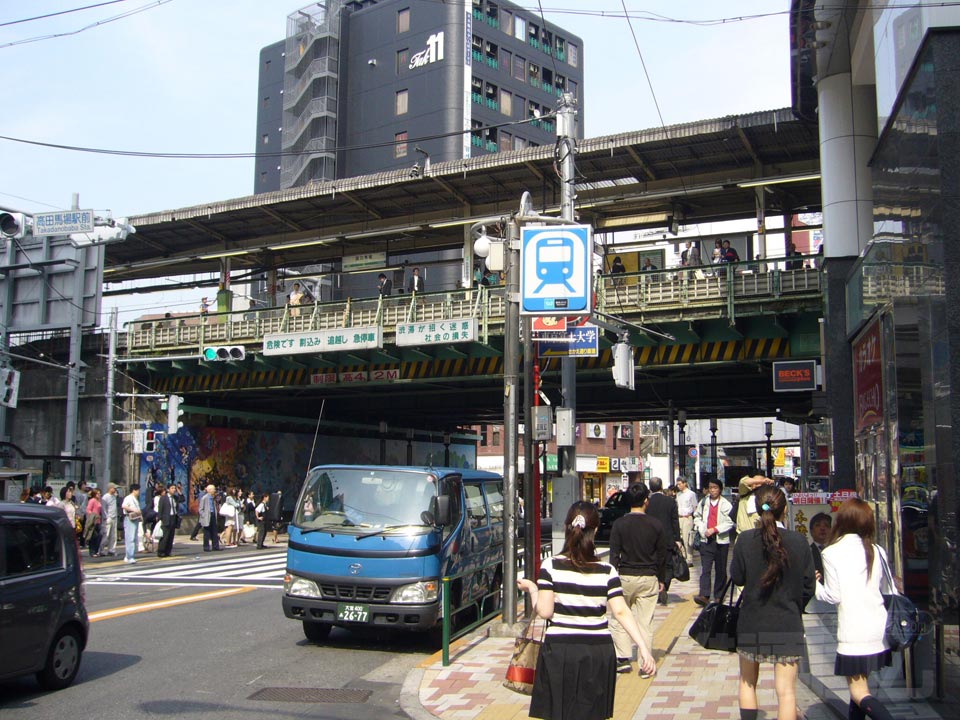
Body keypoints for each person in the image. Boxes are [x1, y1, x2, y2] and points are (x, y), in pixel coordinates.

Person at [517, 501, 655, 720]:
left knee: (559, 712)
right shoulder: (607, 571)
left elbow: (544, 611)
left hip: (560, 650)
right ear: (596, 530)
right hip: (598, 652)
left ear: (566, 527)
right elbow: (621, 611)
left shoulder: (550, 567)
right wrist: (643, 648)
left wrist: (533, 588)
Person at [731, 485, 816, 720]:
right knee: (786, 692)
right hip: (787, 621)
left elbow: (737, 577)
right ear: (784, 509)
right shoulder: (799, 541)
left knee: (747, 682)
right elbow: (809, 585)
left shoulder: (745, 540)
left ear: (756, 510)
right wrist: (795, 603)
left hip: (751, 620)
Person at [815, 498, 896, 720]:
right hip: (878, 629)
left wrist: (815, 585)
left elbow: (832, 596)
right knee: (859, 689)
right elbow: (888, 589)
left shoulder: (831, 552)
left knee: (859, 692)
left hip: (853, 632)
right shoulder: (877, 550)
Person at [607, 483, 667, 676]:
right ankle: (645, 663)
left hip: (624, 576)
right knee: (645, 622)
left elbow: (614, 554)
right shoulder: (656, 525)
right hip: (649, 577)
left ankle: (623, 658)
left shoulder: (619, 524)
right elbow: (662, 555)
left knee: (618, 617)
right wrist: (662, 578)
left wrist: (612, 576)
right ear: (646, 501)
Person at [693, 477, 734, 605]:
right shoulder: (704, 502)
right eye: (710, 488)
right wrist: (701, 528)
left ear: (720, 489)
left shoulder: (726, 504)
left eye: (715, 488)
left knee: (721, 569)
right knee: (705, 569)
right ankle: (704, 595)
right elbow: (697, 517)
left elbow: (730, 522)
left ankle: (719, 595)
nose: (713, 490)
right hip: (706, 541)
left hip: (721, 541)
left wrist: (715, 529)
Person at [646, 476, 682, 605]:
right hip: (667, 538)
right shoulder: (670, 501)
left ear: (650, 488)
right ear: (661, 487)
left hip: (650, 539)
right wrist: (677, 538)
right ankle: (664, 587)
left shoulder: (647, 502)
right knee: (667, 565)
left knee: (653, 565)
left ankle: (656, 589)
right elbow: (675, 521)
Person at [675, 477, 698, 564]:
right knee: (679, 538)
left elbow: (695, 507)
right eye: (677, 484)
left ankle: (689, 559)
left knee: (687, 539)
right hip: (679, 517)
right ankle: (683, 556)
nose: (678, 486)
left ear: (685, 483)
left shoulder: (691, 494)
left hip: (687, 517)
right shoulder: (678, 494)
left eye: (680, 484)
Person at [156, 482, 179, 557]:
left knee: (171, 536)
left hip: (173, 517)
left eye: (174, 488)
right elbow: (160, 509)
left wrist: (179, 491)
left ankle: (168, 551)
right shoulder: (163, 498)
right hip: (166, 518)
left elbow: (182, 499)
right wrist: (159, 519)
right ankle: (161, 551)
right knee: (165, 536)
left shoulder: (175, 498)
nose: (174, 490)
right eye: (172, 488)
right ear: (168, 489)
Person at [121, 485, 143, 564]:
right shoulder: (128, 498)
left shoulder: (135, 499)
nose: (138, 492)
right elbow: (124, 506)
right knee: (130, 538)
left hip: (135, 518)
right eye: (138, 490)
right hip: (129, 518)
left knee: (133, 537)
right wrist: (134, 510)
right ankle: (130, 556)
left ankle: (128, 556)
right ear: (134, 490)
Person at [198, 484, 222, 552]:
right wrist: (204, 515)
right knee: (207, 532)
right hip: (207, 516)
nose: (214, 490)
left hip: (213, 515)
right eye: (213, 489)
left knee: (214, 531)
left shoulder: (213, 498)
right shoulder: (204, 498)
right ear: (209, 490)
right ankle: (206, 547)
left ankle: (215, 546)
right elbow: (200, 509)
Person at [809, 512, 832, 577]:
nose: (822, 528)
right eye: (818, 525)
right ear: (811, 531)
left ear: (831, 530)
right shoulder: (808, 552)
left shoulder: (835, 551)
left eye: (826, 525)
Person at [101, 483, 119, 556]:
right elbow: (103, 508)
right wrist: (106, 517)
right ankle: (101, 549)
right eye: (114, 488)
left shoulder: (114, 496)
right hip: (108, 518)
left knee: (113, 535)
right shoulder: (105, 497)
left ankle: (111, 549)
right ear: (110, 488)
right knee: (106, 534)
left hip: (114, 517)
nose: (115, 489)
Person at [84, 488, 103, 556]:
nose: (99, 494)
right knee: (93, 536)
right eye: (98, 493)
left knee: (99, 536)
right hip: (93, 521)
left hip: (98, 521)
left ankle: (96, 550)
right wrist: (93, 515)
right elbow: (88, 510)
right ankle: (92, 551)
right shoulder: (92, 500)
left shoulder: (99, 501)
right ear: (94, 494)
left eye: (99, 493)